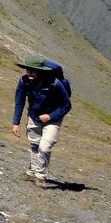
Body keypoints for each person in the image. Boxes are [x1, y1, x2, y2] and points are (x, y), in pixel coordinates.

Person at [11, 56, 72, 187]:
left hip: (53, 119)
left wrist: (50, 117)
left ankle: (40, 176)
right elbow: (19, 102)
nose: (29, 73)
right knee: (34, 146)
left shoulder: (54, 83)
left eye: (33, 70)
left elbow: (66, 105)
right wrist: (16, 123)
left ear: (40, 71)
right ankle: (31, 172)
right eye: (27, 70)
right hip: (34, 116)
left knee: (44, 147)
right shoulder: (24, 81)